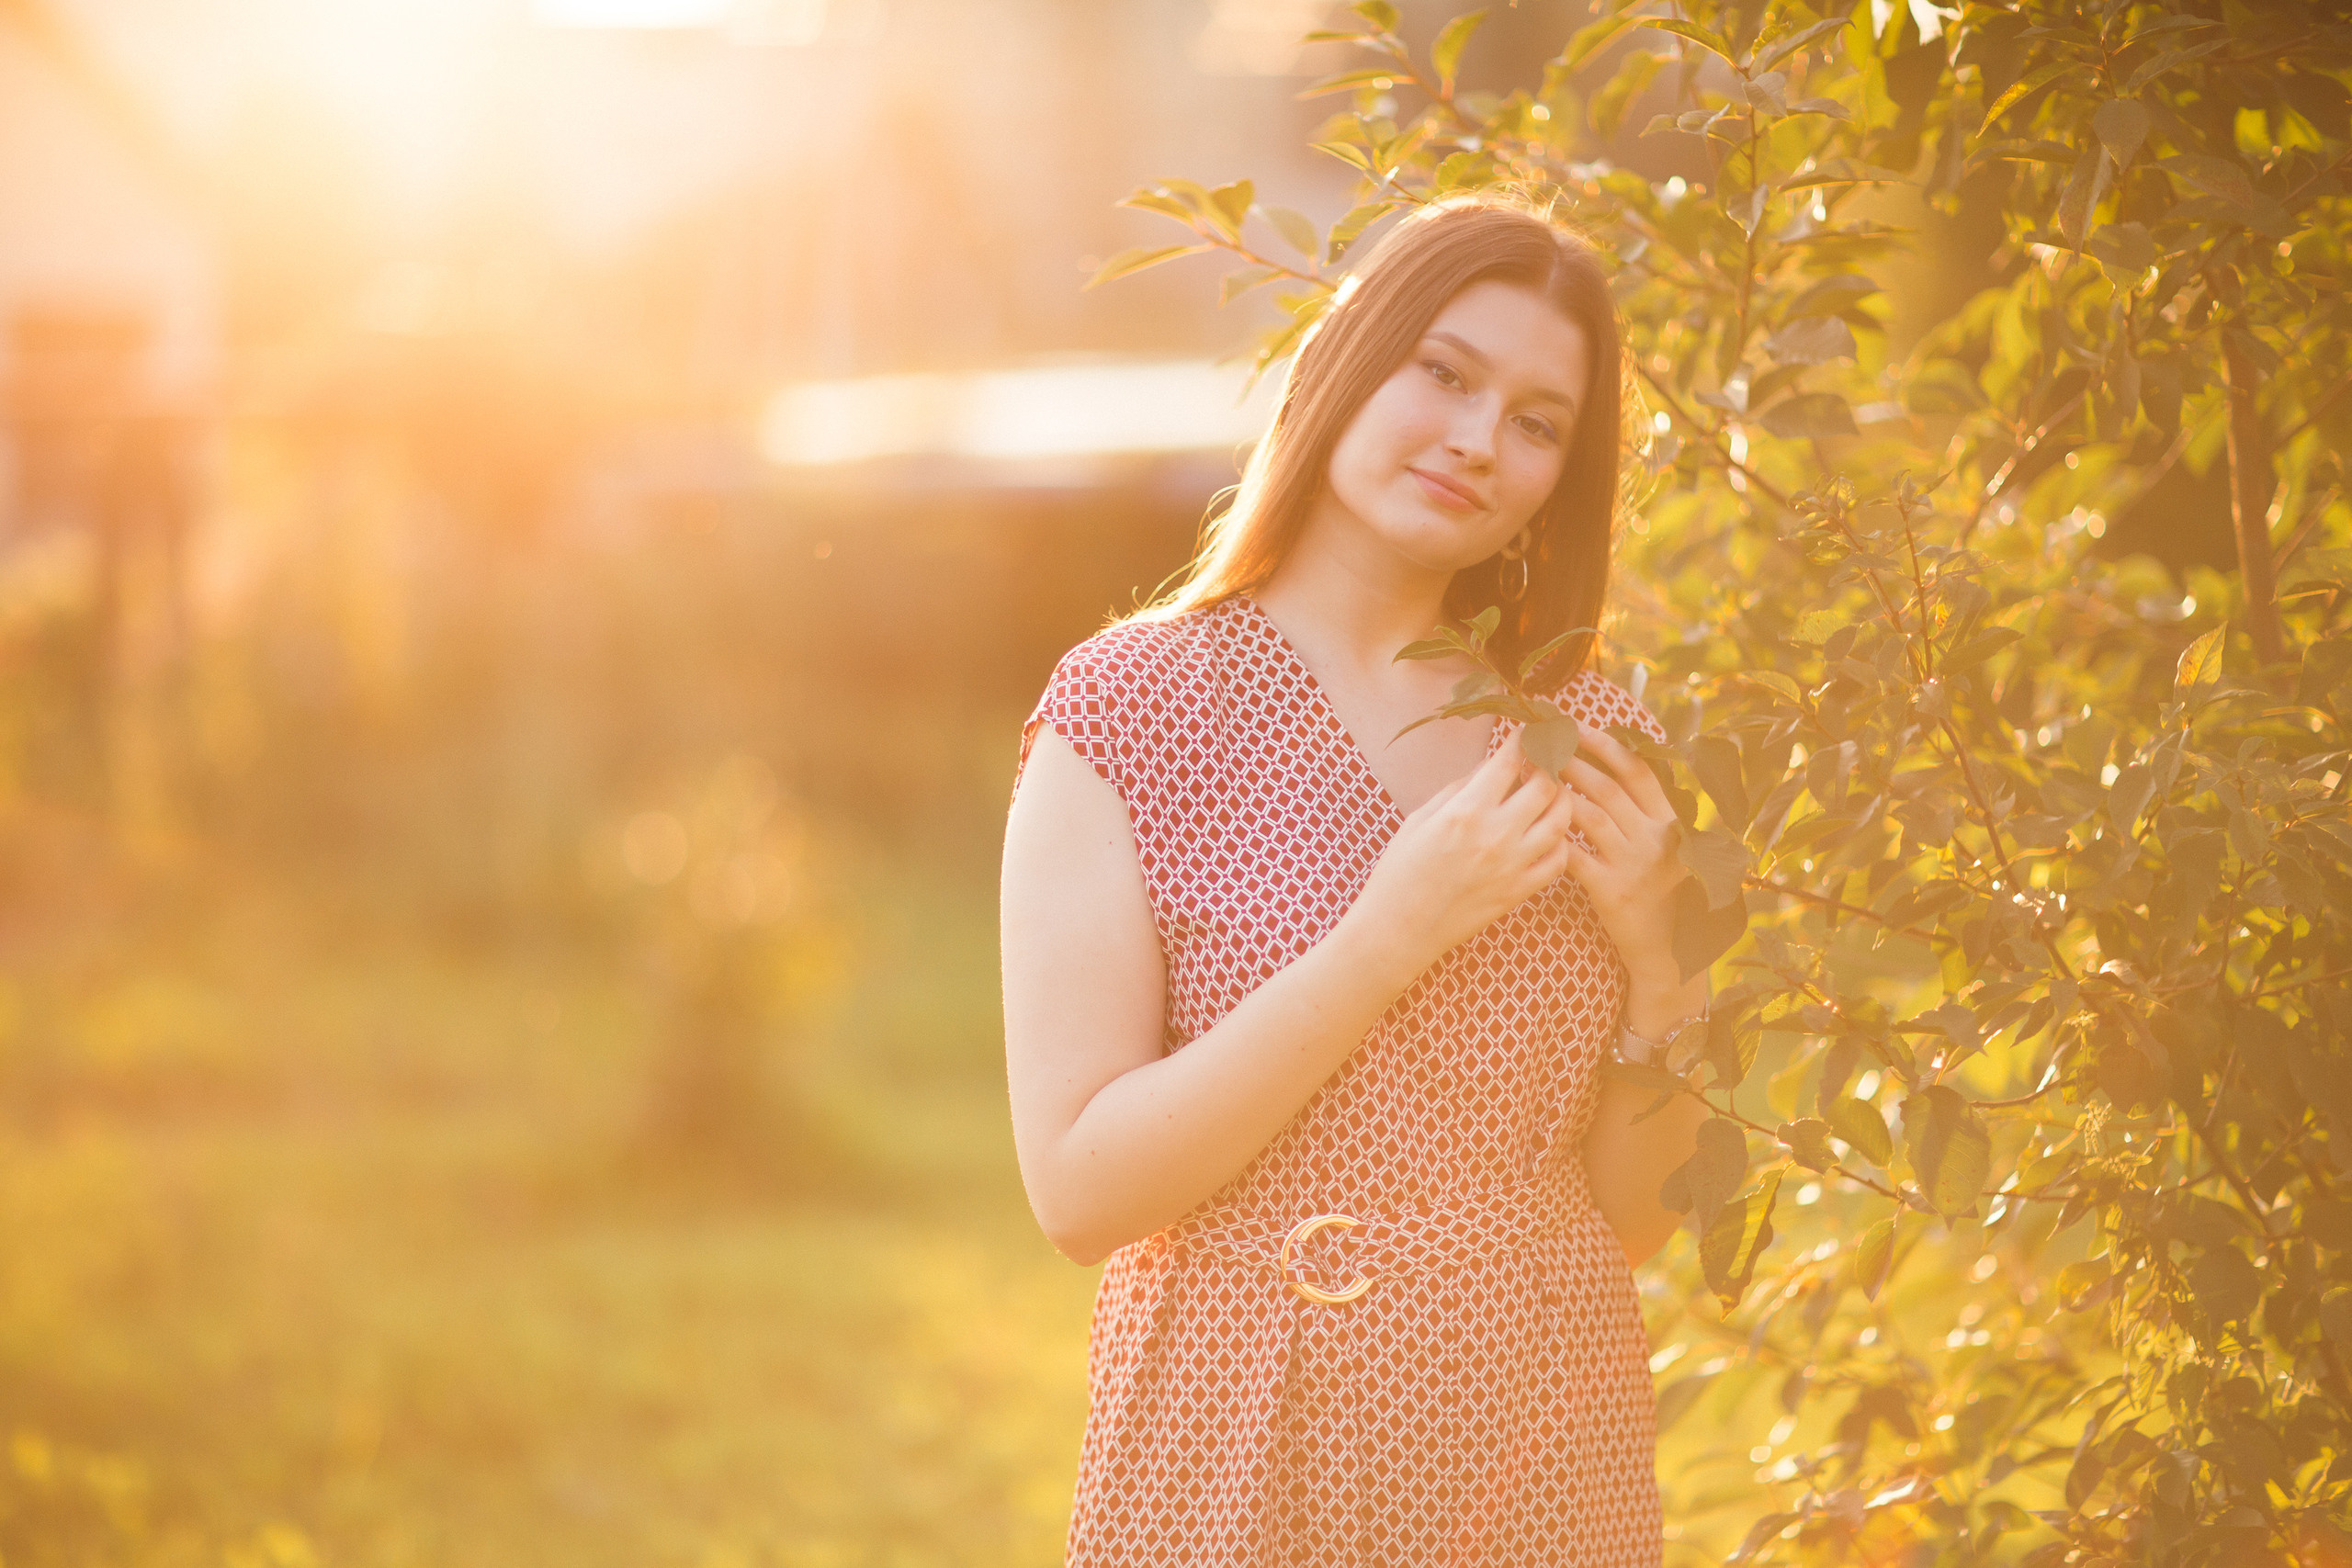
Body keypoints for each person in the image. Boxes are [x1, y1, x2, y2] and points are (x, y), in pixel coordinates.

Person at [1000, 194, 1711, 1566]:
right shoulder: (1131, 708)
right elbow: (1080, 1193)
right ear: (1347, 364)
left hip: (1544, 1446)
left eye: (1537, 423)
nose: (1478, 439)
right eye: (1445, 373)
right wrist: (1386, 937)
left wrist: (1661, 965)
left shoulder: (1588, 740)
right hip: (1240, 1433)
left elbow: (1636, 1223)